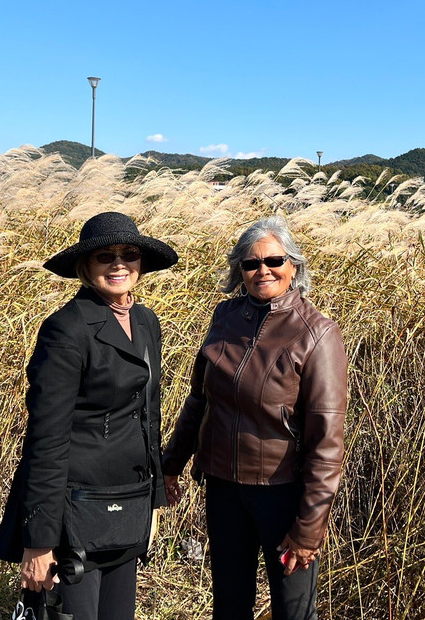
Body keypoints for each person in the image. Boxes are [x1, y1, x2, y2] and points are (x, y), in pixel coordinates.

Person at [0, 211, 178, 620]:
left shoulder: (146, 322)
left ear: (141, 262)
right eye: (104, 256)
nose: (118, 265)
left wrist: (156, 491)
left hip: (127, 503)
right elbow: (46, 438)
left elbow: (148, 413)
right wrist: (39, 541)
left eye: (129, 254)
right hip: (75, 508)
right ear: (85, 266)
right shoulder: (66, 328)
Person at [162, 216, 348, 620]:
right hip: (224, 490)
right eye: (251, 263)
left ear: (293, 266)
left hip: (282, 495)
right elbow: (200, 400)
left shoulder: (317, 334)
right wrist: (170, 464)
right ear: (240, 272)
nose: (263, 270)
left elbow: (327, 443)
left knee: (293, 611)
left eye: (274, 260)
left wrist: (309, 527)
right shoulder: (226, 317)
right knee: (229, 604)